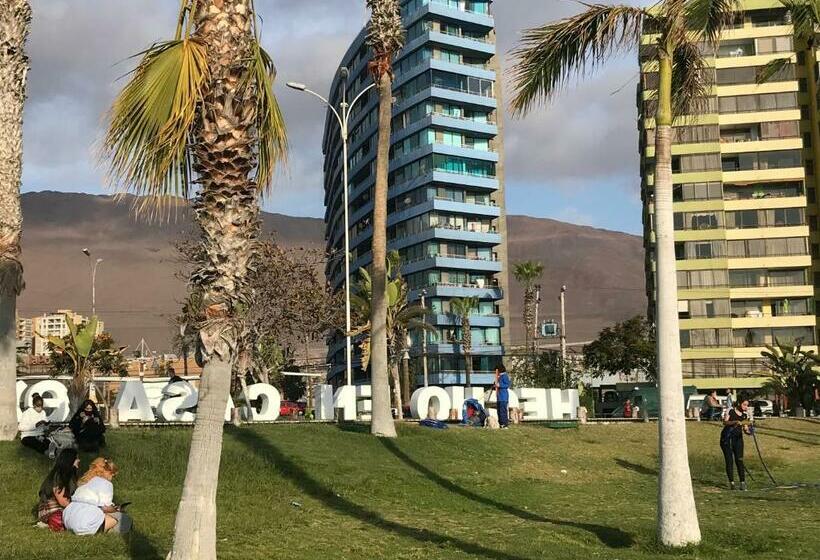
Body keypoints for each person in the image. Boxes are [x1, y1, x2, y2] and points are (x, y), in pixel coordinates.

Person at [63, 458, 132, 535]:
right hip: (84, 523)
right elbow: (106, 508)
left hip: (68, 518)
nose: (112, 478)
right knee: (124, 519)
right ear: (108, 472)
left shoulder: (84, 482)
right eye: (112, 475)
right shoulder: (106, 483)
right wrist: (116, 510)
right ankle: (106, 531)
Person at [37, 448, 80, 531]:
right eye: (76, 458)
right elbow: (63, 502)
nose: (79, 460)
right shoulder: (58, 477)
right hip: (52, 512)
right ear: (70, 460)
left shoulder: (69, 475)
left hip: (62, 509)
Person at [720, 397, 751, 491]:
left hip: (738, 439)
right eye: (744, 404)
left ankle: (742, 483)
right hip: (727, 438)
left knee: (739, 460)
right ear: (739, 403)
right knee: (729, 460)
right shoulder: (731, 410)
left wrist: (749, 431)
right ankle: (732, 483)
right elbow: (725, 422)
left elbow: (746, 429)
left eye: (747, 405)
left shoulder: (745, 415)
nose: (746, 407)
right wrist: (735, 422)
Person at [494, 364, 511, 429]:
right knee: (499, 411)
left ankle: (505, 424)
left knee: (503, 411)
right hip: (499, 397)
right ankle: (501, 423)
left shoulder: (505, 376)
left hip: (503, 397)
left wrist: (499, 385)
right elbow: (496, 385)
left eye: (496, 370)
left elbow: (507, 385)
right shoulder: (499, 377)